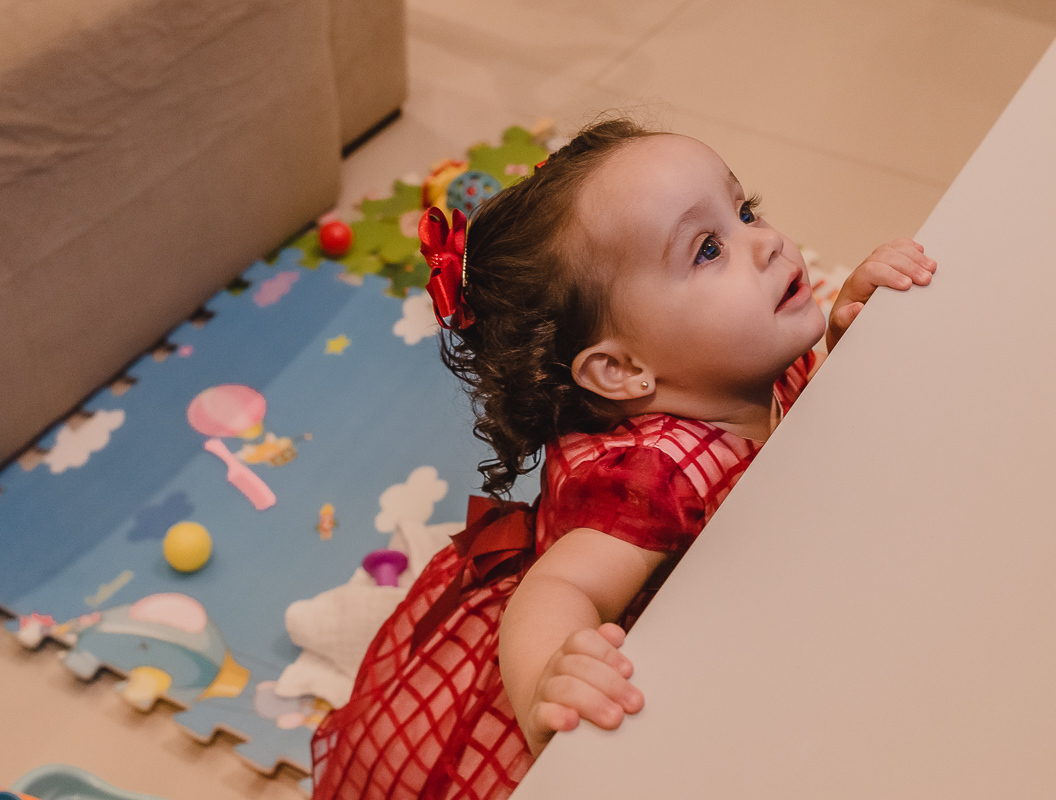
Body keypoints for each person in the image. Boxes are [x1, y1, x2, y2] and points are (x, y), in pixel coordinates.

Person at [310, 118, 936, 800]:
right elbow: (554, 591)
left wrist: (853, 336)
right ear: (624, 369)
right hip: (646, 692)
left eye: (745, 209)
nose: (767, 241)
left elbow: (802, 441)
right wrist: (552, 680)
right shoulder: (652, 479)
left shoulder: (742, 366)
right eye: (706, 250)